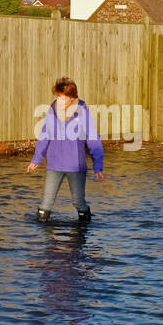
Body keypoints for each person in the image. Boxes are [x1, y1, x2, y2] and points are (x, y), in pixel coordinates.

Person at [26, 77, 105, 223]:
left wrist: (97, 166)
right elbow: (45, 134)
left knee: (78, 202)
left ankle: (82, 233)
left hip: (75, 166)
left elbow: (93, 139)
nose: (59, 102)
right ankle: (46, 242)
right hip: (54, 164)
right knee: (46, 204)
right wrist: (37, 158)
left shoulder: (82, 112)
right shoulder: (52, 110)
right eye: (58, 98)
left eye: (63, 99)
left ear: (71, 98)